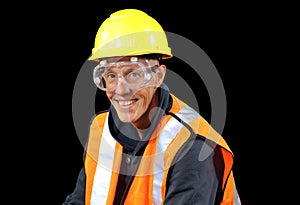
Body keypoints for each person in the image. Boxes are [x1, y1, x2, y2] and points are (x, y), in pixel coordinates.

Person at [63, 8, 241, 205]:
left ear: (158, 75)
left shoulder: (191, 148)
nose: (121, 90)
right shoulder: (101, 130)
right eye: (111, 76)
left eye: (133, 74)